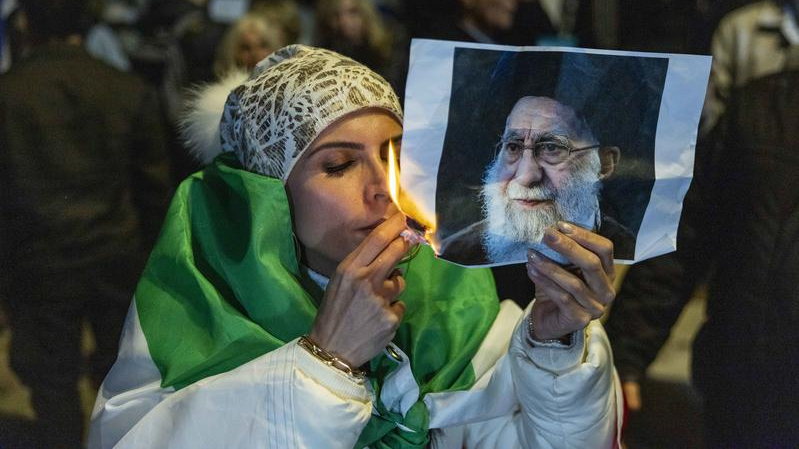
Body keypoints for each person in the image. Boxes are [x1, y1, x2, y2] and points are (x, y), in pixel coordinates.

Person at [89, 45, 622, 448]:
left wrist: (555, 355)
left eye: (393, 157)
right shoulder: (188, 323)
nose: (382, 190)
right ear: (266, 198)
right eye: (339, 164)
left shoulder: (468, 312)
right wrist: (326, 363)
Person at [0, 0, 172, 447]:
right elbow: (154, 191)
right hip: (117, 254)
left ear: (28, 26)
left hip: (37, 259)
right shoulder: (125, 89)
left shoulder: (9, 93)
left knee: (50, 376)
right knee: (121, 371)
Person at [439, 96, 634, 266]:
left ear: (605, 163)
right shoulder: (455, 254)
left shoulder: (632, 255)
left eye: (551, 148)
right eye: (513, 147)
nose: (526, 176)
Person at [213, 12, 283, 78]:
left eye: (262, 46)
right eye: (246, 48)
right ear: (233, 53)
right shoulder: (223, 90)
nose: (255, 54)